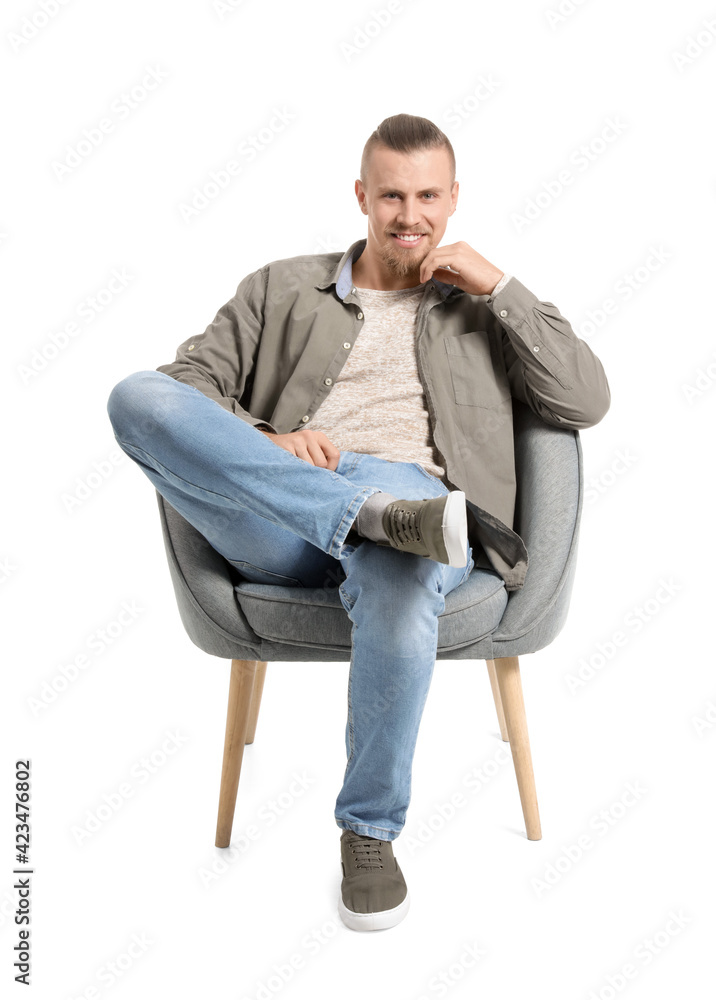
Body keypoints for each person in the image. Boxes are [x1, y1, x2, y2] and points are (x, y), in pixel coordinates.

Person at [106, 113, 610, 932]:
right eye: (390, 196)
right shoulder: (278, 287)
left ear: (453, 200)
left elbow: (585, 401)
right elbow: (186, 384)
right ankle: (367, 516)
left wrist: (503, 288)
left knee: (402, 562)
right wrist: (268, 442)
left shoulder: (484, 305)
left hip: (425, 510)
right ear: (361, 197)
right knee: (133, 396)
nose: (409, 216)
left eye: (427, 196)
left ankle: (368, 833)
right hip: (287, 507)